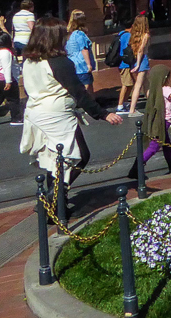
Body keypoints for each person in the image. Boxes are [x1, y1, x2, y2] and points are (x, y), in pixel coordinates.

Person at [19, 18, 122, 192]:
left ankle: (53, 201)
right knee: (81, 155)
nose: (66, 39)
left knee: (54, 161)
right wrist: (103, 114)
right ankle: (56, 196)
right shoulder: (60, 63)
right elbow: (79, 92)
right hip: (58, 115)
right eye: (63, 35)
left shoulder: (29, 61)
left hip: (34, 113)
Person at [128, 65, 171, 179]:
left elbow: (163, 105)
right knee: (154, 146)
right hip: (162, 122)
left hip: (157, 120)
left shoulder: (153, 90)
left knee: (167, 145)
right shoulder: (167, 89)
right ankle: (136, 168)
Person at [117, 15, 150, 117]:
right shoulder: (145, 35)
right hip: (142, 61)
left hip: (134, 61)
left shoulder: (133, 35)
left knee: (146, 84)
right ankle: (132, 110)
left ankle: (153, 105)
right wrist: (139, 64)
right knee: (138, 86)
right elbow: (141, 50)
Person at [65, 10, 95, 94]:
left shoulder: (69, 34)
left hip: (72, 63)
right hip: (81, 65)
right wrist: (88, 64)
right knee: (87, 86)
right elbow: (84, 49)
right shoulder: (80, 34)